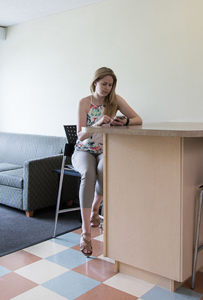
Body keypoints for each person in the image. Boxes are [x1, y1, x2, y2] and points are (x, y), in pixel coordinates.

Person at [72, 67, 142, 257]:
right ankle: (86, 232)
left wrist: (124, 122)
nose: (107, 88)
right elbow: (80, 135)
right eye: (104, 84)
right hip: (83, 150)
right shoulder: (84, 102)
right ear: (95, 82)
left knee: (106, 170)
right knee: (88, 173)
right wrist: (97, 124)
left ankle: (96, 207)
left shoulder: (115, 100)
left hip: (105, 151)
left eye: (110, 85)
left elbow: (138, 119)